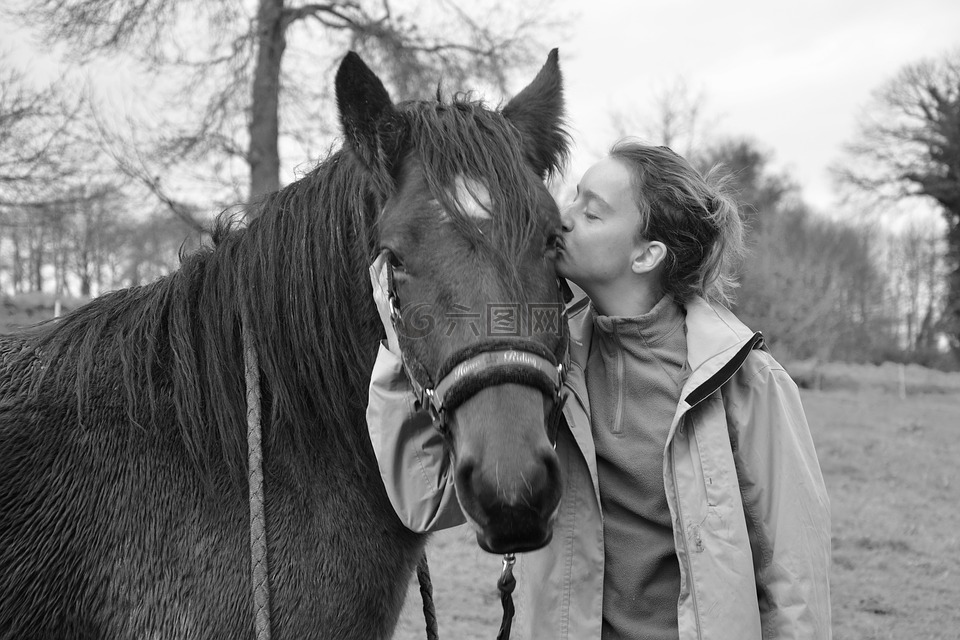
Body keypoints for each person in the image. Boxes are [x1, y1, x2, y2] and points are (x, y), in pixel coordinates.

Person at [366, 140, 832, 640]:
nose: (563, 219)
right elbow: (427, 500)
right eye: (572, 200)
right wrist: (400, 339)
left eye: (591, 213)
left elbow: (794, 578)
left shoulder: (746, 380)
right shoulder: (549, 365)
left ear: (646, 254)